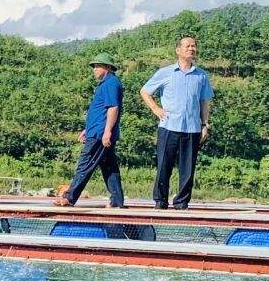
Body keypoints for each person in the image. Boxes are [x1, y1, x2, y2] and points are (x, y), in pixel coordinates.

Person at [140, 34, 213, 210]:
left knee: (188, 167)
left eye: (193, 46)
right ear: (178, 50)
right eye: (187, 46)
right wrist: (155, 109)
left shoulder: (201, 76)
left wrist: (205, 124)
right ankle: (160, 200)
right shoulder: (165, 73)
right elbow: (145, 91)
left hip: (192, 128)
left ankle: (181, 202)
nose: (191, 49)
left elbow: (205, 102)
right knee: (164, 164)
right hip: (169, 126)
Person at [56, 55, 124, 208]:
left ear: (107, 67)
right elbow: (99, 111)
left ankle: (70, 197)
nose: (94, 69)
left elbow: (113, 108)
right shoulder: (106, 84)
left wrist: (107, 132)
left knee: (85, 164)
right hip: (97, 131)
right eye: (94, 66)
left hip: (100, 134)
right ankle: (117, 201)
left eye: (97, 66)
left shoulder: (110, 84)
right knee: (109, 168)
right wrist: (87, 129)